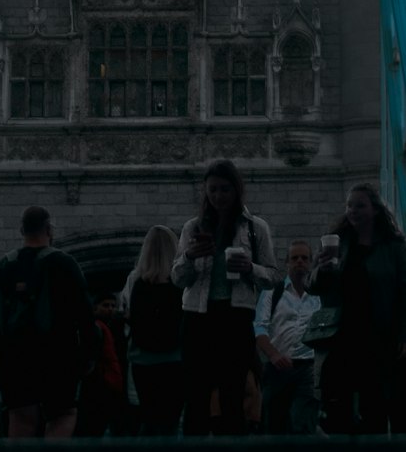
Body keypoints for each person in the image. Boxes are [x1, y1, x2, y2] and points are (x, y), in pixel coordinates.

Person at [172, 158, 279, 436]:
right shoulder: (192, 228)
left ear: (236, 190)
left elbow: (271, 276)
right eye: (213, 190)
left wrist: (249, 268)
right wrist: (189, 256)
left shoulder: (255, 228)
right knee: (196, 396)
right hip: (197, 316)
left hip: (235, 317)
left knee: (232, 395)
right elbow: (178, 278)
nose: (218, 196)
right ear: (205, 192)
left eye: (224, 190)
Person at [0, 204, 97, 438]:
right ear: (50, 229)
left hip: (12, 355)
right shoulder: (64, 263)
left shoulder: (3, 266)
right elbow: (84, 312)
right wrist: (89, 353)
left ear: (22, 230)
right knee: (62, 415)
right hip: (59, 353)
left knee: (20, 417)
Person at [311, 183, 406, 435]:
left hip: (379, 336)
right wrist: (321, 271)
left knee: (375, 406)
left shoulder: (393, 246)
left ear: (375, 210)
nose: (353, 211)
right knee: (337, 407)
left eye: (360, 205)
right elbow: (313, 287)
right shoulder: (337, 242)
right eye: (349, 205)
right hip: (341, 335)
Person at [120, 225, 184, 436]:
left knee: (148, 416)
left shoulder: (135, 281)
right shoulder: (181, 283)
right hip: (175, 358)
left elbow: (128, 314)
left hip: (142, 359)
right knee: (171, 419)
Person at [253, 238, 322, 434]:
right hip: (277, 369)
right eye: (294, 258)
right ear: (287, 262)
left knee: (303, 422)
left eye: (304, 258)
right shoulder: (272, 293)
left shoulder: (319, 295)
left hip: (308, 369)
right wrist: (274, 355)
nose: (300, 262)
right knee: (274, 424)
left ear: (310, 262)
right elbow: (260, 328)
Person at [76, 291, 124, 436]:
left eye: (112, 306)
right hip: (102, 383)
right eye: (105, 305)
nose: (110, 309)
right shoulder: (98, 328)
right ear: (95, 308)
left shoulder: (103, 327)